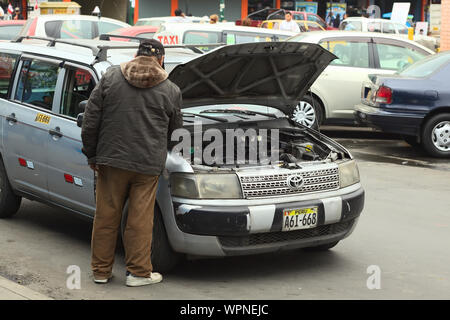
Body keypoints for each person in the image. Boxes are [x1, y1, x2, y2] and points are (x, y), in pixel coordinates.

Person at [81, 39, 183, 287]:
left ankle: (101, 271)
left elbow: (90, 121)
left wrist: (92, 155)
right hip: (147, 165)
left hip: (111, 160)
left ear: (136, 55)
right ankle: (138, 273)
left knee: (106, 217)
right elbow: (176, 131)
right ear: (161, 60)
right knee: (140, 220)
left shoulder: (111, 77)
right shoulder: (171, 89)